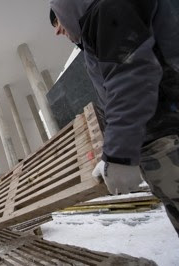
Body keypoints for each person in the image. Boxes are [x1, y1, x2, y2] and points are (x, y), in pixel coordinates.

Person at [50, 0, 179, 235]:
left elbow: (131, 78)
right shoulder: (101, 24)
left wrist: (119, 154)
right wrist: (112, 154)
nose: (58, 31)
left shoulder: (107, 9)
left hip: (168, 135)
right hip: (160, 137)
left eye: (57, 20)